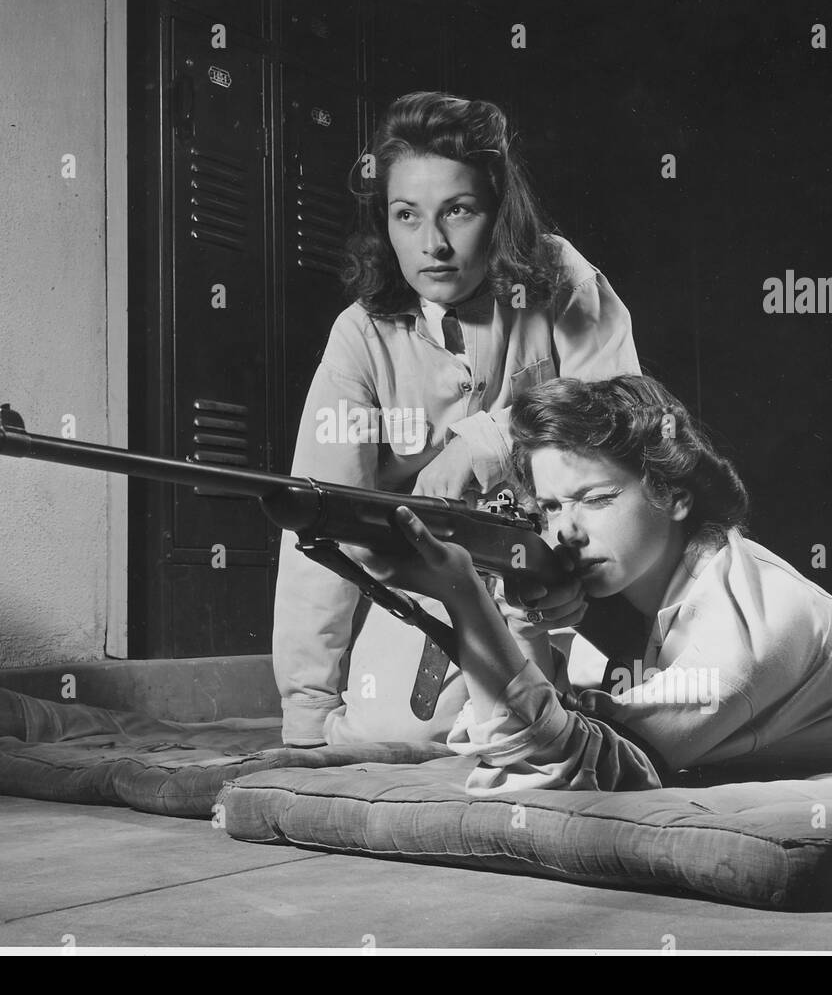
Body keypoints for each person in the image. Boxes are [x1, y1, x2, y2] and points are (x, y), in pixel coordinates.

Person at [350, 374, 832, 792]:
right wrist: (528, 615)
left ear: (671, 495)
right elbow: (513, 723)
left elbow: (548, 763)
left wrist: (466, 595)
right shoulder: (645, 586)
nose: (566, 532)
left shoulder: (746, 640)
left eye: (597, 498)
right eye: (552, 507)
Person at [272, 91, 641, 746]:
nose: (433, 244)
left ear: (498, 211)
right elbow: (321, 527)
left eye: (458, 211)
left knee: (662, 705)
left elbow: (626, 414)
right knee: (394, 731)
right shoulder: (359, 338)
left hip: (580, 561)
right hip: (438, 574)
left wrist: (492, 439)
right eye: (406, 215)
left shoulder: (558, 276)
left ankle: (588, 679)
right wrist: (304, 719)